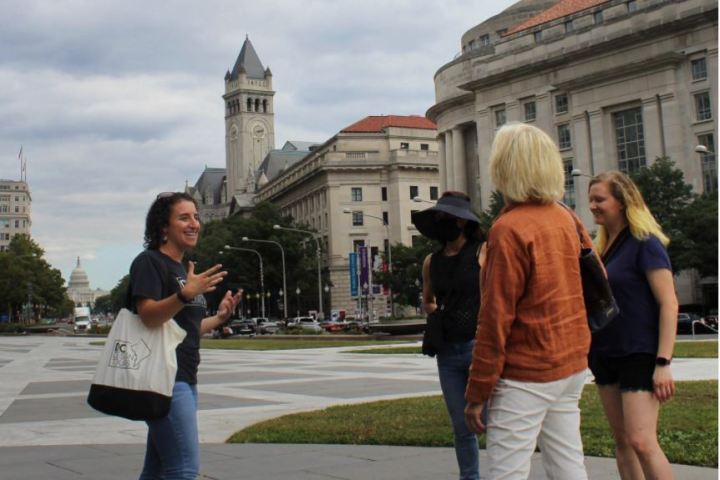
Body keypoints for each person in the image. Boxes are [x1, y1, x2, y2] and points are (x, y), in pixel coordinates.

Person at [464, 123, 591, 479]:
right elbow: (593, 281)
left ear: (505, 167)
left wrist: (477, 392)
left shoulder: (509, 230)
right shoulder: (566, 217)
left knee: (507, 472)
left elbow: (495, 318)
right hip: (571, 362)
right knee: (568, 465)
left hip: (526, 371)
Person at [130, 192, 241, 479]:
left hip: (185, 378)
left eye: (195, 216)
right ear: (163, 227)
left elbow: (183, 329)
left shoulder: (181, 269)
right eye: (184, 217)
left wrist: (219, 318)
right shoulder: (149, 262)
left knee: (156, 470)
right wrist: (184, 294)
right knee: (184, 468)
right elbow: (149, 315)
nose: (194, 224)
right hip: (165, 380)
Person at [587, 171, 677, 479]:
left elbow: (669, 304)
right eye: (591, 200)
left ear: (622, 202)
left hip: (639, 354)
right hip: (605, 353)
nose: (593, 206)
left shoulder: (645, 243)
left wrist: (663, 362)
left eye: (600, 199)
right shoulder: (601, 250)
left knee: (642, 441)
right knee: (623, 442)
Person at [412, 191, 486, 480]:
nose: (442, 221)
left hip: (478, 345)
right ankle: (470, 477)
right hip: (447, 352)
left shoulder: (482, 251)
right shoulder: (432, 260)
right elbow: (427, 299)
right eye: (438, 217)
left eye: (448, 217)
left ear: (462, 222)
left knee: (488, 418)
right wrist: (435, 313)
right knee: (461, 425)